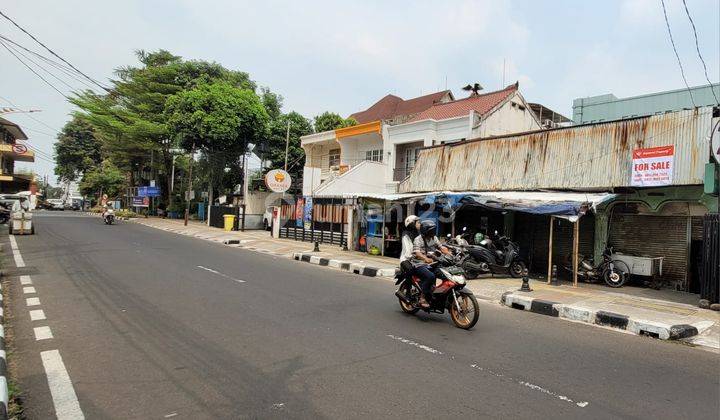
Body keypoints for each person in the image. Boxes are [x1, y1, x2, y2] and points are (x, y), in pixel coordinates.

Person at [412, 219, 451, 308]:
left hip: (432, 263)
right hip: (418, 264)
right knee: (430, 276)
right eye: (431, 230)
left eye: (433, 230)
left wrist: (449, 253)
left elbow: (441, 247)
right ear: (425, 230)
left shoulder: (434, 238)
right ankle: (422, 297)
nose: (433, 232)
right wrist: (425, 258)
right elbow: (417, 253)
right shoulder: (418, 239)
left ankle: (438, 294)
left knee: (445, 273)